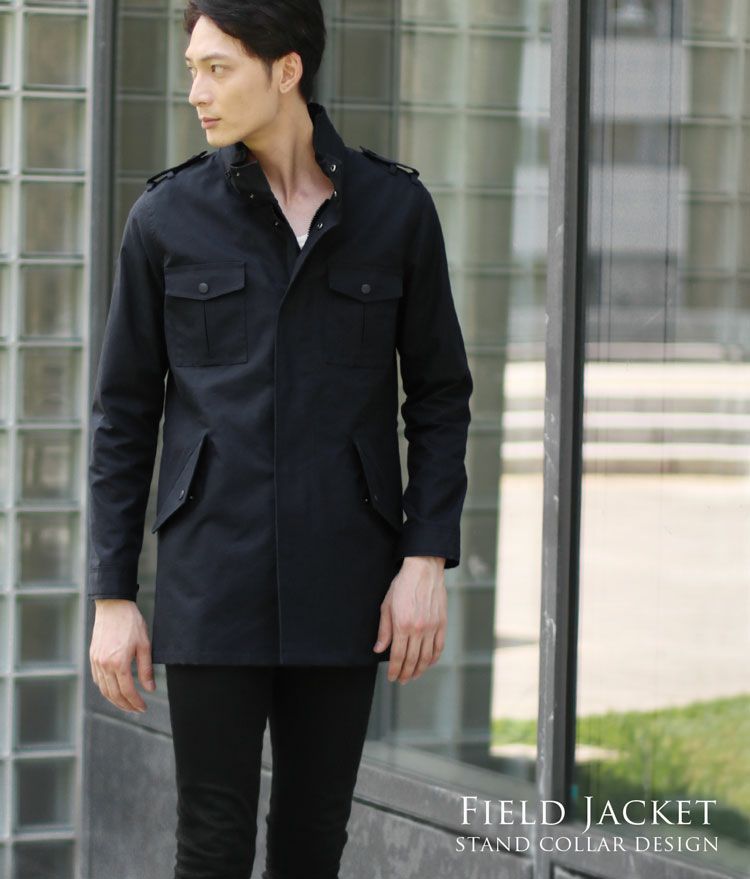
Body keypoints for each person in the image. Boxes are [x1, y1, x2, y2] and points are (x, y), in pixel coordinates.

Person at [87, 1, 473, 877]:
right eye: (193, 69)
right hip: (212, 578)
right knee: (211, 846)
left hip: (346, 577)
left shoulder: (395, 211)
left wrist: (425, 558)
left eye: (217, 69)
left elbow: (440, 396)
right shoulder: (166, 218)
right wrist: (112, 594)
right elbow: (123, 418)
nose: (196, 92)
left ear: (286, 70)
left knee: (312, 841)